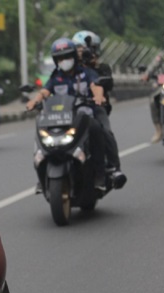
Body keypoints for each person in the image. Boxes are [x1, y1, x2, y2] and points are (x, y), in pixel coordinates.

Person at [26, 37, 109, 191]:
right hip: (60, 118)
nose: (64, 61)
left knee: (97, 130)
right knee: (40, 135)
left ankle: (99, 175)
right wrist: (34, 101)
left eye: (67, 57)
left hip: (82, 117)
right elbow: (45, 91)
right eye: (60, 58)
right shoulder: (55, 76)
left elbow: (95, 86)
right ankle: (42, 175)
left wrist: (98, 96)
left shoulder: (86, 73)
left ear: (74, 57)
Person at [72, 30, 127, 188]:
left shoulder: (101, 68)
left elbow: (108, 84)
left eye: (86, 49)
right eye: (78, 49)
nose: (83, 53)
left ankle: (114, 168)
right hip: (73, 110)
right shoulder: (71, 69)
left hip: (96, 109)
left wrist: (93, 65)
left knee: (105, 132)